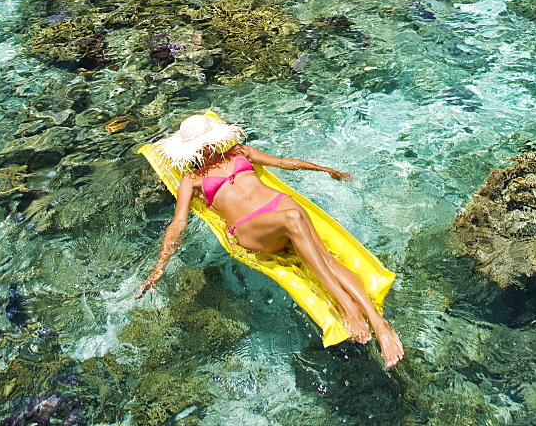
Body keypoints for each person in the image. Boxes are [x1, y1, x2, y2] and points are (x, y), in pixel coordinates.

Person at [135, 114, 403, 368]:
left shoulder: (240, 151)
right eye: (201, 146)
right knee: (293, 220)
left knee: (325, 257)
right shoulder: (191, 180)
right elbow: (178, 223)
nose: (207, 149)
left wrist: (323, 169)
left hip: (279, 208)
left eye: (208, 142)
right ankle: (346, 306)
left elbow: (283, 162)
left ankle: (380, 324)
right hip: (251, 229)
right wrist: (159, 267)